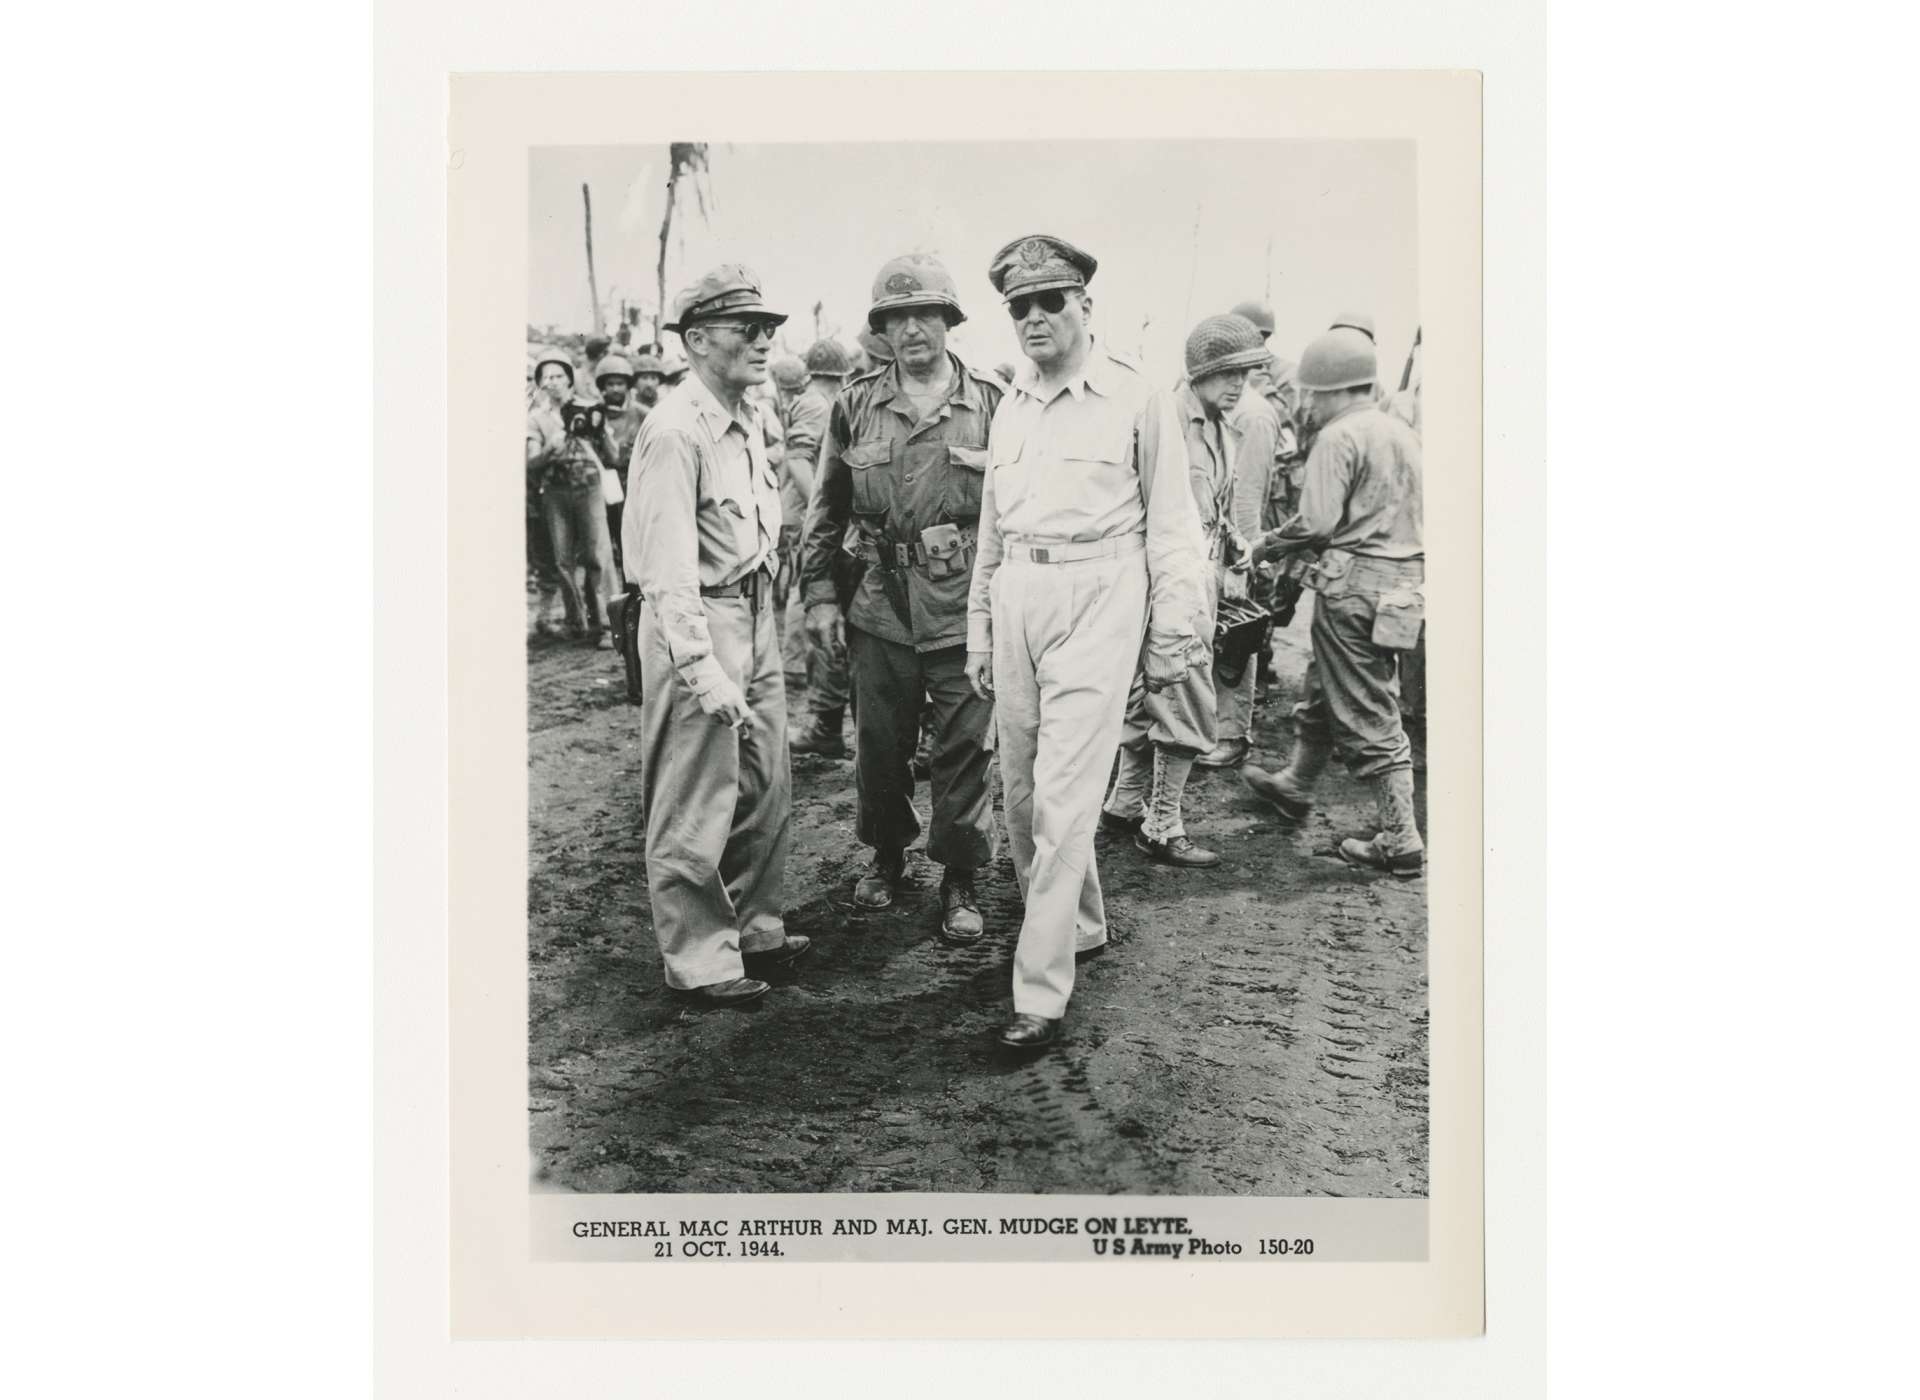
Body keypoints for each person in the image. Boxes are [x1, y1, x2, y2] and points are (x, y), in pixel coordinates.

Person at [966, 233, 1208, 1051]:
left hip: (1102, 591)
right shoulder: (1011, 403)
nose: (1034, 318)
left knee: (1067, 798)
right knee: (1025, 790)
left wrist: (1175, 634)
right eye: (1019, 307)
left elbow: (1175, 526)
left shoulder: (1138, 397)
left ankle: (1037, 990)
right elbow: (992, 532)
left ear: (1084, 307)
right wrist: (979, 628)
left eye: (1050, 302)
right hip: (1019, 594)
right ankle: (1084, 922)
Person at [801, 254, 1005, 940]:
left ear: (949, 321)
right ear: (881, 328)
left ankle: (960, 876)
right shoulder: (855, 403)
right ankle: (887, 856)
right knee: (880, 748)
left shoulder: (992, 402)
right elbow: (826, 509)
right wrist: (822, 596)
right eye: (896, 318)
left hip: (964, 608)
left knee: (964, 750)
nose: (912, 329)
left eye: (925, 314)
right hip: (880, 604)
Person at [622, 264, 809, 1006]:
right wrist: (700, 667)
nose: (764, 341)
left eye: (768, 329)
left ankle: (755, 926)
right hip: (699, 617)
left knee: (765, 784)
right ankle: (700, 958)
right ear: (697, 341)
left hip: (755, 611)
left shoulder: (748, 417)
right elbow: (667, 573)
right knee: (695, 793)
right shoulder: (674, 430)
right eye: (746, 329)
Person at [1241, 326, 1426, 878]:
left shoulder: (1340, 436)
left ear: (1332, 389)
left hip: (1352, 583)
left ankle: (1401, 837)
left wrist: (1265, 546)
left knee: (1368, 709)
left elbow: (1318, 521)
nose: (1309, 403)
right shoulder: (1403, 432)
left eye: (1314, 394)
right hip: (1401, 586)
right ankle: (1295, 783)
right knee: (1327, 683)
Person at [1101, 314, 1266, 864]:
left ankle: (1125, 803)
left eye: (1245, 373)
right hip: (1169, 587)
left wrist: (1237, 540)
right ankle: (1162, 822)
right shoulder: (1166, 419)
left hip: (1202, 579)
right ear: (1198, 373)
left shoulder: (1221, 427)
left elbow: (1212, 508)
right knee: (1183, 699)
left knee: (1152, 699)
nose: (1238, 385)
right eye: (1226, 374)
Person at [1197, 322, 1287, 770]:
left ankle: (1231, 733)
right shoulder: (1216, 406)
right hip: (1208, 543)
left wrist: (1244, 562)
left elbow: (1247, 493)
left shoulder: (1250, 412)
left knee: (1235, 638)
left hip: (1233, 544)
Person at [527, 347, 618, 647]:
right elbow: (530, 462)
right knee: (563, 560)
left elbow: (612, 455)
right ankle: (577, 622)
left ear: (569, 379)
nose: (552, 381)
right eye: (546, 376)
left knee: (597, 556)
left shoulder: (590, 408)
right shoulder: (536, 419)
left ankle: (607, 625)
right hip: (555, 491)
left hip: (589, 486)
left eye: (558, 375)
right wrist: (549, 449)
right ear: (539, 382)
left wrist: (600, 429)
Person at [781, 340, 854, 712]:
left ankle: (795, 661)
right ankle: (794, 662)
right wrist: (821, 509)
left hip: (799, 510)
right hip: (803, 511)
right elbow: (797, 458)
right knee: (804, 585)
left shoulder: (812, 400)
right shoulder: (816, 404)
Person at [595, 352, 647, 580]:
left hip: (633, 484)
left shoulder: (642, 414)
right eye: (610, 384)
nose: (615, 389)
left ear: (628, 385)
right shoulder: (595, 414)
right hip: (603, 484)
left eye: (620, 383)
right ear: (602, 387)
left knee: (632, 544)